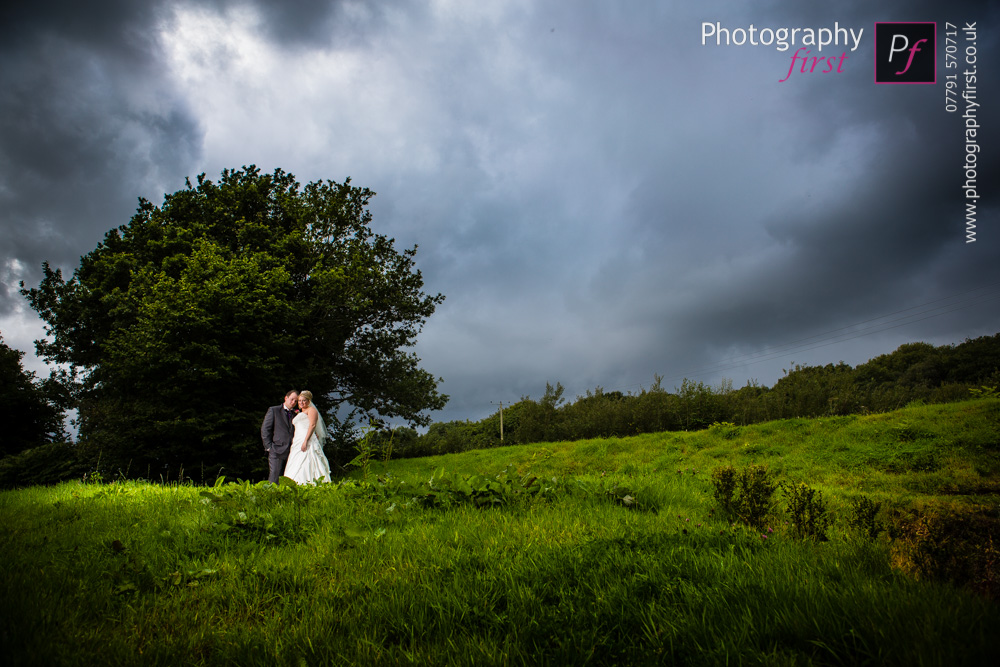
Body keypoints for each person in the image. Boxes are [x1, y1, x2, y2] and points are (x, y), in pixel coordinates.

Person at [283, 390, 332, 484]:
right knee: (296, 460)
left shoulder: (311, 410)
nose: (301, 402)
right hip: (298, 439)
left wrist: (306, 440)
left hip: (306, 439)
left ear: (309, 401)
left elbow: (312, 425)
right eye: (300, 400)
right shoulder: (300, 411)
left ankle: (309, 482)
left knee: (308, 459)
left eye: (304, 400)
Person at [260, 389, 299, 484]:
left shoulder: (296, 414)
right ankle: (271, 496)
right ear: (286, 398)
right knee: (274, 476)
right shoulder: (274, 410)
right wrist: (269, 447)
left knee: (291, 476)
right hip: (277, 449)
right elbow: (265, 429)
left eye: (296, 401)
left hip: (293, 450)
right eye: (292, 399)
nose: (293, 402)